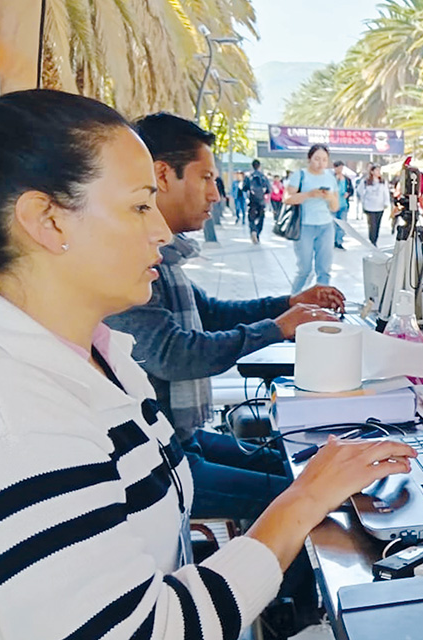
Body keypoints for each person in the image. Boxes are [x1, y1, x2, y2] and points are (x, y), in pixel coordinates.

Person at [0, 89, 417, 640]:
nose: (159, 230)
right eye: (140, 205)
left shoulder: (103, 357)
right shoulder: (18, 423)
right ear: (47, 220)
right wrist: (302, 501)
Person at [106, 112, 345, 523]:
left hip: (182, 437)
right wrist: (276, 328)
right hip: (157, 462)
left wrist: (288, 303)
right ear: (162, 175)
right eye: (206, 178)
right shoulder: (124, 259)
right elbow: (173, 354)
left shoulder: (163, 261)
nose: (216, 194)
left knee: (295, 462)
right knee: (303, 496)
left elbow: (210, 313)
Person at [285, 145, 340, 293]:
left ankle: (322, 303)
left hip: (326, 226)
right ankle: (293, 300)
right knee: (305, 269)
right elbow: (288, 199)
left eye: (324, 160)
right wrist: (309, 195)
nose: (320, 163)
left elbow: (335, 207)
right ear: (309, 159)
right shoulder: (300, 175)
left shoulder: (330, 178)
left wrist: (329, 197)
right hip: (304, 226)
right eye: (316, 159)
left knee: (324, 269)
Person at [358, 164, 393, 246]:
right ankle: (372, 240)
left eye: (379, 170)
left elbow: (386, 193)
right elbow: (360, 191)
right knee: (372, 224)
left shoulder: (383, 182)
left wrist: (386, 203)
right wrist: (364, 201)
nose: (378, 172)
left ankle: (375, 239)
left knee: (377, 224)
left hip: (380, 206)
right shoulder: (366, 181)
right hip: (369, 206)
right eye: (376, 170)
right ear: (372, 171)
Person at [243, 159, 271, 244]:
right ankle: (257, 233)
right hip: (261, 200)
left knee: (251, 218)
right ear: (259, 166)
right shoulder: (263, 176)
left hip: (252, 200)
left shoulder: (248, 176)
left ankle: (253, 230)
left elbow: (244, 188)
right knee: (261, 217)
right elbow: (269, 189)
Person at [331, 160, 354, 250]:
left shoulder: (347, 179)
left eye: (341, 168)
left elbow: (351, 190)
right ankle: (332, 241)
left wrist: (348, 193)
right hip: (333, 205)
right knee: (333, 224)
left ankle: (339, 241)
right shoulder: (331, 178)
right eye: (338, 167)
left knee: (342, 224)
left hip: (343, 204)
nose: (340, 170)